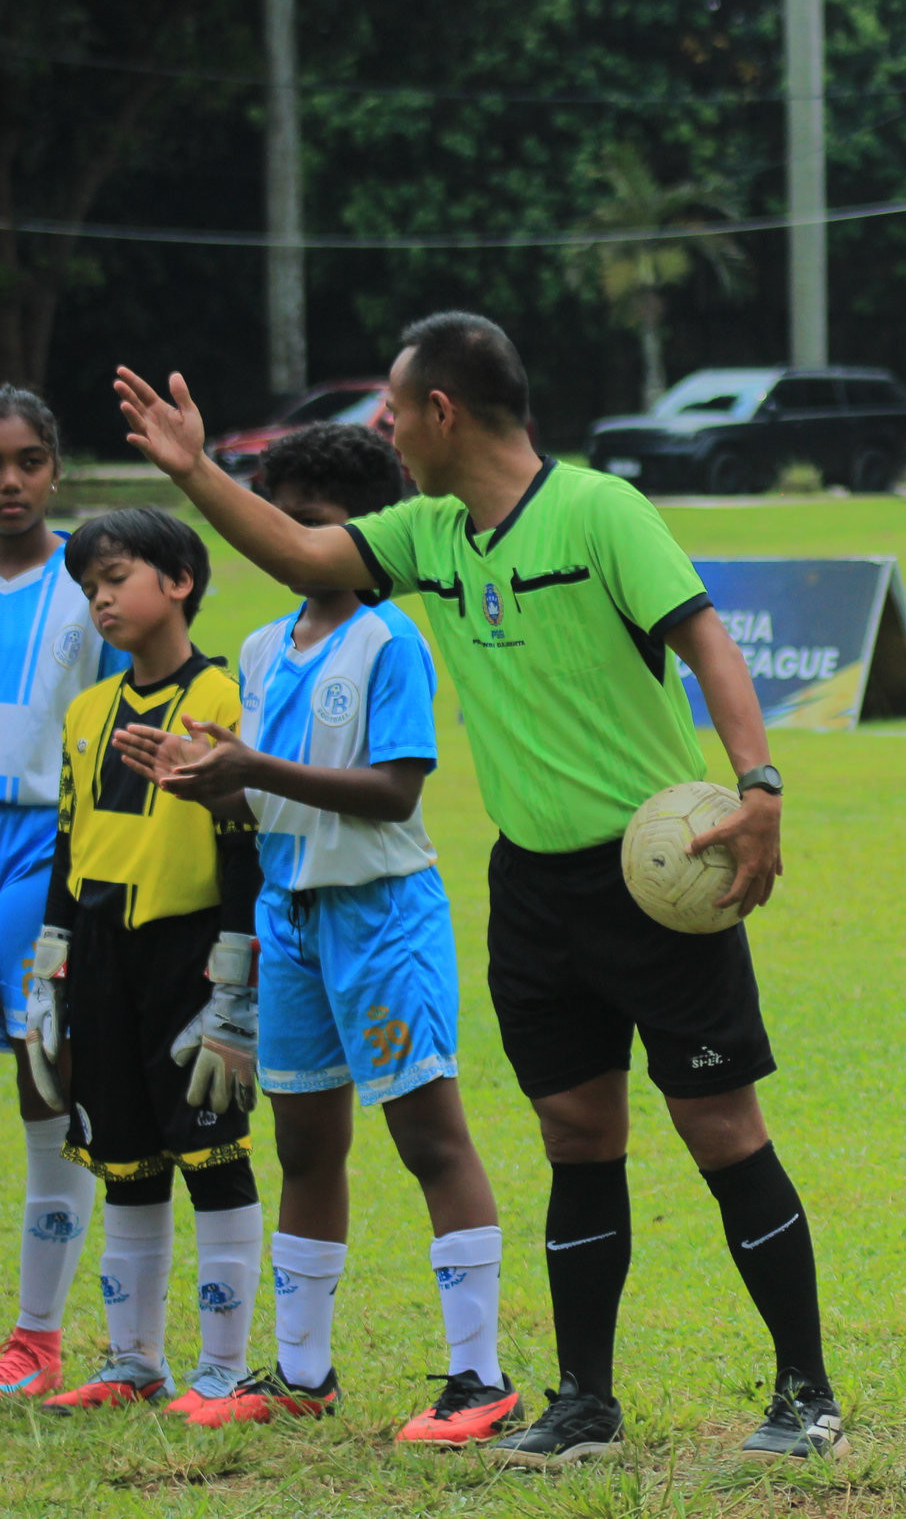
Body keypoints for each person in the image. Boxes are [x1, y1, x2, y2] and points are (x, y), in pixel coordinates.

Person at [111, 311, 844, 1466]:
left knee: (718, 1126)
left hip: (657, 878)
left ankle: (806, 1389)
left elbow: (707, 642)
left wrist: (757, 783)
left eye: (395, 411)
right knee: (574, 1132)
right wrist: (195, 468)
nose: (388, 431)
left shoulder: (601, 509)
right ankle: (585, 1399)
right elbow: (305, 557)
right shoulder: (432, 534)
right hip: (533, 889)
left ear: (441, 411)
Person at [111, 425, 513, 1442]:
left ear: (367, 533)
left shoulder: (391, 640)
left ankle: (480, 1376)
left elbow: (390, 790)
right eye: (279, 515)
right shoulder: (258, 647)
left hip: (381, 913)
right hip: (291, 918)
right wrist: (202, 777)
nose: (292, 537)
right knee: (305, 1142)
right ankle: (300, 1371)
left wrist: (249, 769)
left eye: (315, 520)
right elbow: (265, 807)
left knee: (428, 1135)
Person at [27, 509, 263, 1415]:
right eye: (88, 587)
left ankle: (223, 1366)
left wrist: (235, 981)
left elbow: (244, 845)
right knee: (120, 1152)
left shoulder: (226, 703)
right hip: (98, 957)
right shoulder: (88, 712)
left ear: (178, 582)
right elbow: (65, 846)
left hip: (192, 955)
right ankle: (134, 1360)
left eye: (115, 577)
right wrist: (48, 972)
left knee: (210, 1146)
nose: (99, 600)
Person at [0, 388, 125, 1399]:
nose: (10, 480)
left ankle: (36, 1336)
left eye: (30, 460)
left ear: (56, 466)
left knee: (44, 1074)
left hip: (44, 847)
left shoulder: (93, 576)